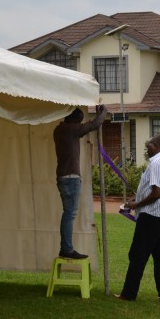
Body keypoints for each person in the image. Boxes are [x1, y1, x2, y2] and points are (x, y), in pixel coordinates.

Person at [117, 135, 160, 302]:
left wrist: (136, 204)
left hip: (153, 216)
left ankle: (128, 294)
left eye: (148, 146)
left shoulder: (157, 163)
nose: (146, 149)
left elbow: (157, 193)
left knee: (137, 255)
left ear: (156, 145)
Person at [53, 104, 107, 259]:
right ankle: (67, 249)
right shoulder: (72, 130)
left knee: (67, 213)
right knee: (69, 214)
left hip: (62, 177)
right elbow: (95, 124)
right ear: (75, 122)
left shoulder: (58, 130)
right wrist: (104, 111)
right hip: (71, 178)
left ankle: (66, 248)